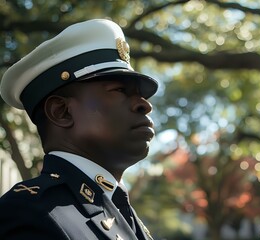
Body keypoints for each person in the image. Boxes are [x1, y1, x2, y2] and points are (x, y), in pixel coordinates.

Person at [0, 19, 158, 240]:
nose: (145, 104)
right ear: (61, 111)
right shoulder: (28, 213)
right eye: (120, 89)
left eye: (141, 95)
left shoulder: (126, 215)